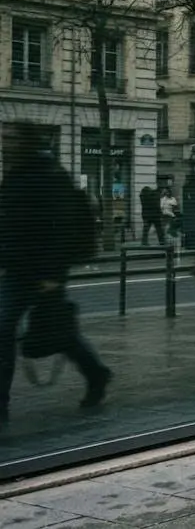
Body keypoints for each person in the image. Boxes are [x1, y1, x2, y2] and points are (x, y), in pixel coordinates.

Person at [0, 124, 112, 424]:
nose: (4, 142)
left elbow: (61, 227)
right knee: (24, 330)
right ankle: (96, 373)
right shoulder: (17, 173)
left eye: (10, 137)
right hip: (18, 268)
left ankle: (96, 374)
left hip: (41, 271)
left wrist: (52, 274)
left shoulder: (48, 174)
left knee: (53, 331)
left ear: (26, 141)